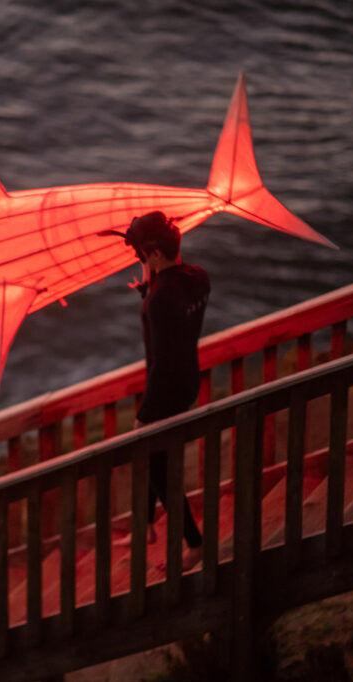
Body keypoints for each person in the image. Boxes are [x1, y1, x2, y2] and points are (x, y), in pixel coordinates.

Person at [113, 210, 209, 570]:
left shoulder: (159, 302)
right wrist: (147, 291)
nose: (138, 260)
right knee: (155, 460)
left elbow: (162, 362)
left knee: (158, 468)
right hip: (189, 379)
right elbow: (178, 324)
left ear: (154, 256)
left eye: (140, 255)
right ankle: (146, 527)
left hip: (165, 388)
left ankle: (195, 546)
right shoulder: (197, 278)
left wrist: (143, 417)